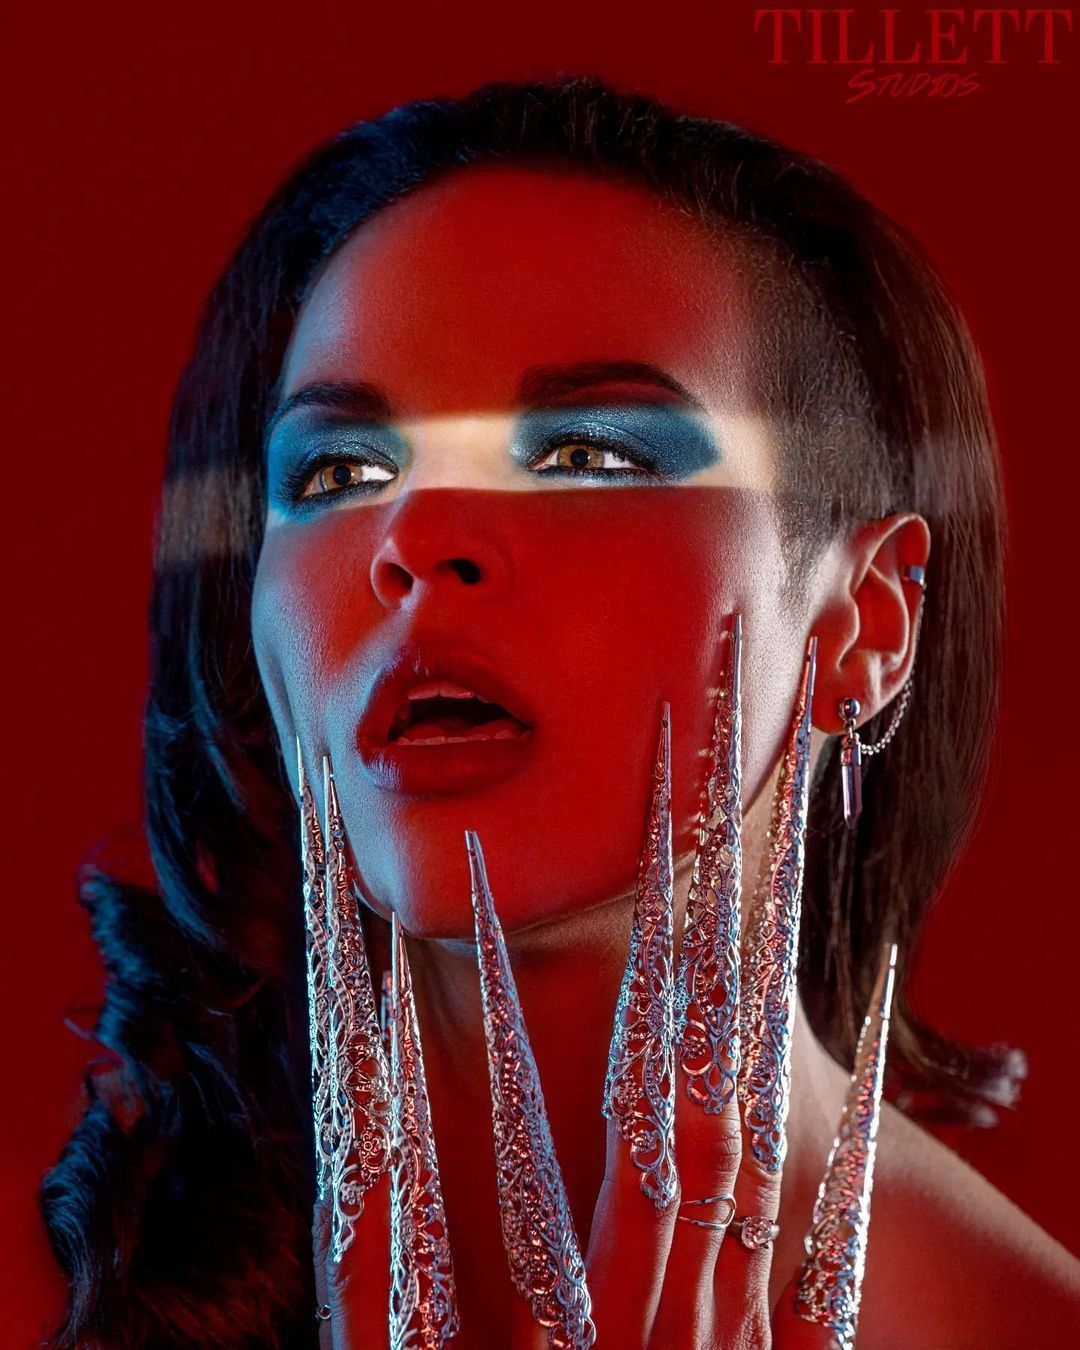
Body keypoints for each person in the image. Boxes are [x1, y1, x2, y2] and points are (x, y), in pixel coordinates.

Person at [41, 78, 1079, 1348]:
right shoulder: (99, 1267)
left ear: (862, 623)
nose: (417, 538)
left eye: (588, 456)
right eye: (341, 470)